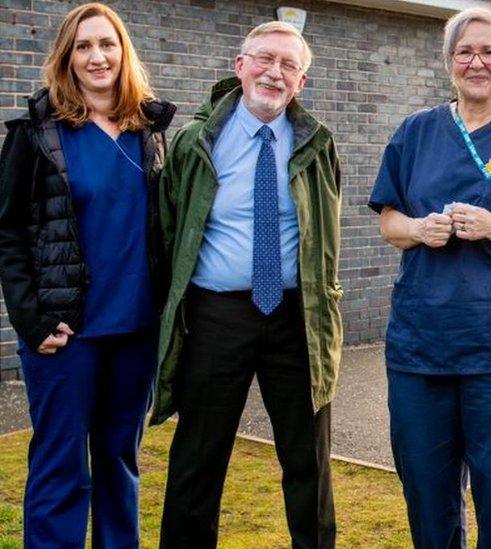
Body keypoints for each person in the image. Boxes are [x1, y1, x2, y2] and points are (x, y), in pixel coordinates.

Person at [368, 7, 491, 548]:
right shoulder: (415, 133)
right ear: (449, 62)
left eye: (488, 51)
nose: (477, 62)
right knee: (428, 498)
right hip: (422, 347)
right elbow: (388, 221)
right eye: (464, 52)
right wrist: (419, 229)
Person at [152, 21, 343, 549]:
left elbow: (327, 232)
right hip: (217, 318)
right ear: (240, 67)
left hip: (295, 317)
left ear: (301, 82)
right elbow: (168, 226)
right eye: (264, 59)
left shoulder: (318, 144)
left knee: (309, 461)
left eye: (288, 66)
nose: (273, 72)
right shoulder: (196, 142)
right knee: (198, 458)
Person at [0, 3, 175, 547]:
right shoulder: (36, 134)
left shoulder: (150, 130)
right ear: (67, 58)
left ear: (124, 52)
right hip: (66, 335)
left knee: (120, 460)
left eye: (107, 44)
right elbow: (8, 232)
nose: (97, 57)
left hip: (135, 331)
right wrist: (33, 321)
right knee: (60, 465)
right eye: (83, 46)